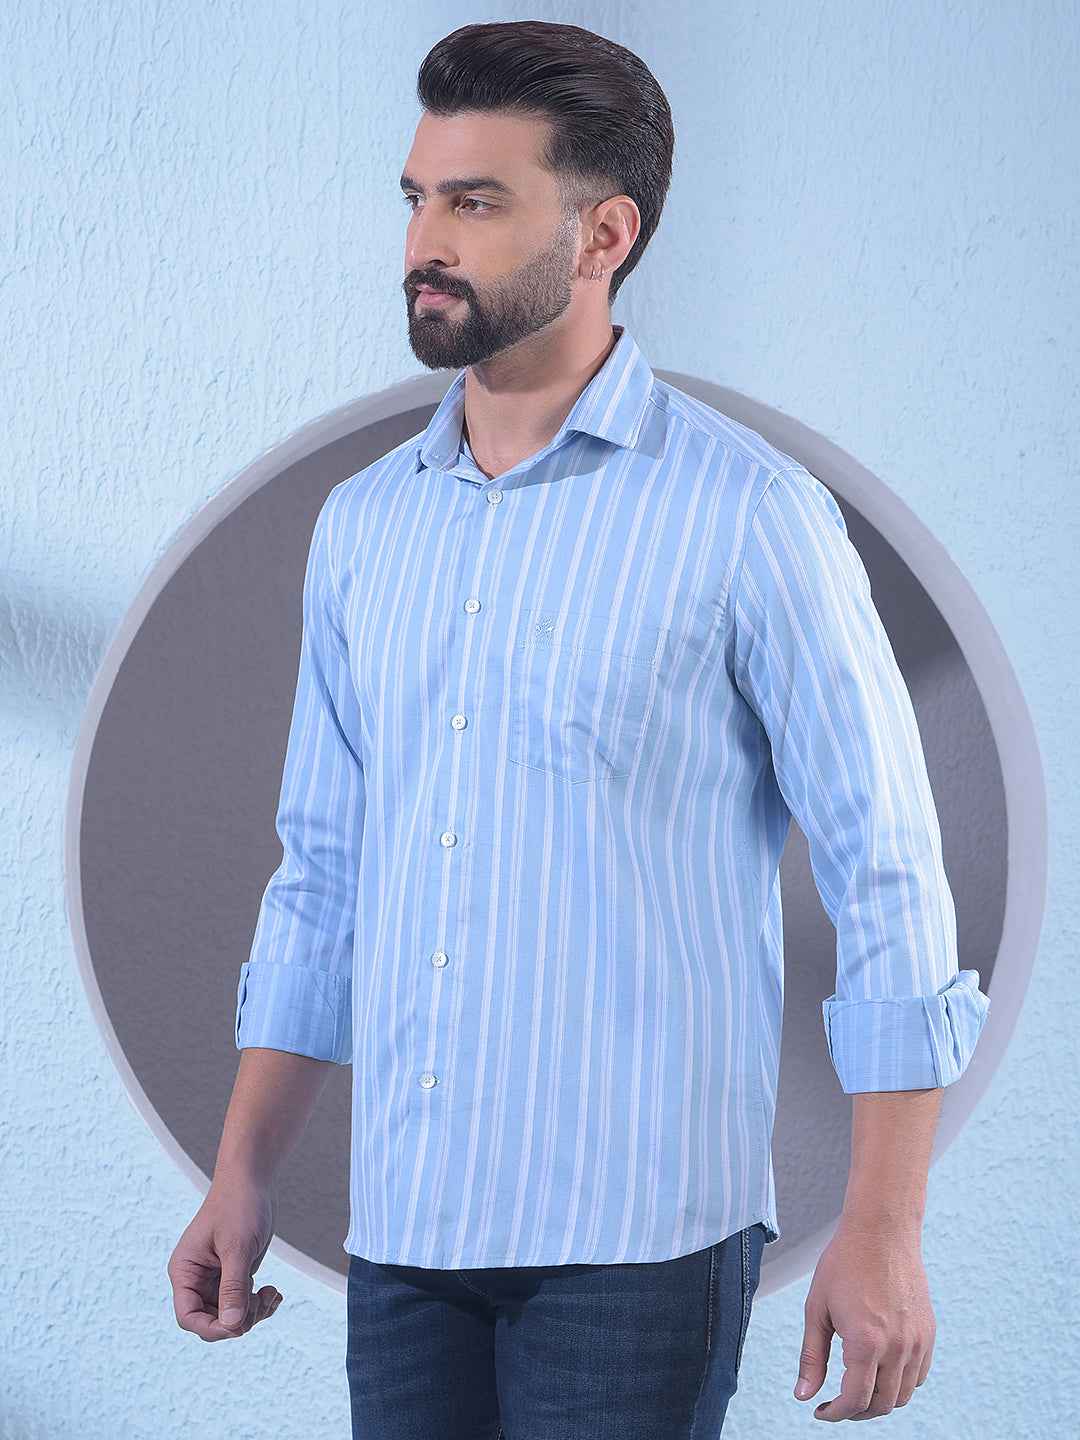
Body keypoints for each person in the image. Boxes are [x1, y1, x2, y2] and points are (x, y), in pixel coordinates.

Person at [168, 19, 991, 1438]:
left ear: (606, 235)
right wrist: (242, 1173)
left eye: (477, 202)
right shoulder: (365, 526)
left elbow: (889, 878)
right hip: (409, 1226)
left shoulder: (748, 515)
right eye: (418, 198)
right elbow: (323, 875)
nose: (426, 241)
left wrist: (885, 1228)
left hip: (641, 1244)